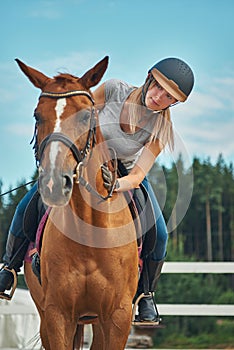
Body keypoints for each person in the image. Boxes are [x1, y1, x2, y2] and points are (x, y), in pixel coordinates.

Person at [0, 57, 194, 324]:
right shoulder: (114, 89)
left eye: (170, 97)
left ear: (175, 103)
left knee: (159, 233)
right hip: (85, 157)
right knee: (29, 202)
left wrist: (114, 184)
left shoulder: (161, 127)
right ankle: (9, 267)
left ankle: (145, 294)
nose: (160, 97)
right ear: (150, 77)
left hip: (123, 175)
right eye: (159, 87)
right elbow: (81, 114)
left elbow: (138, 175)